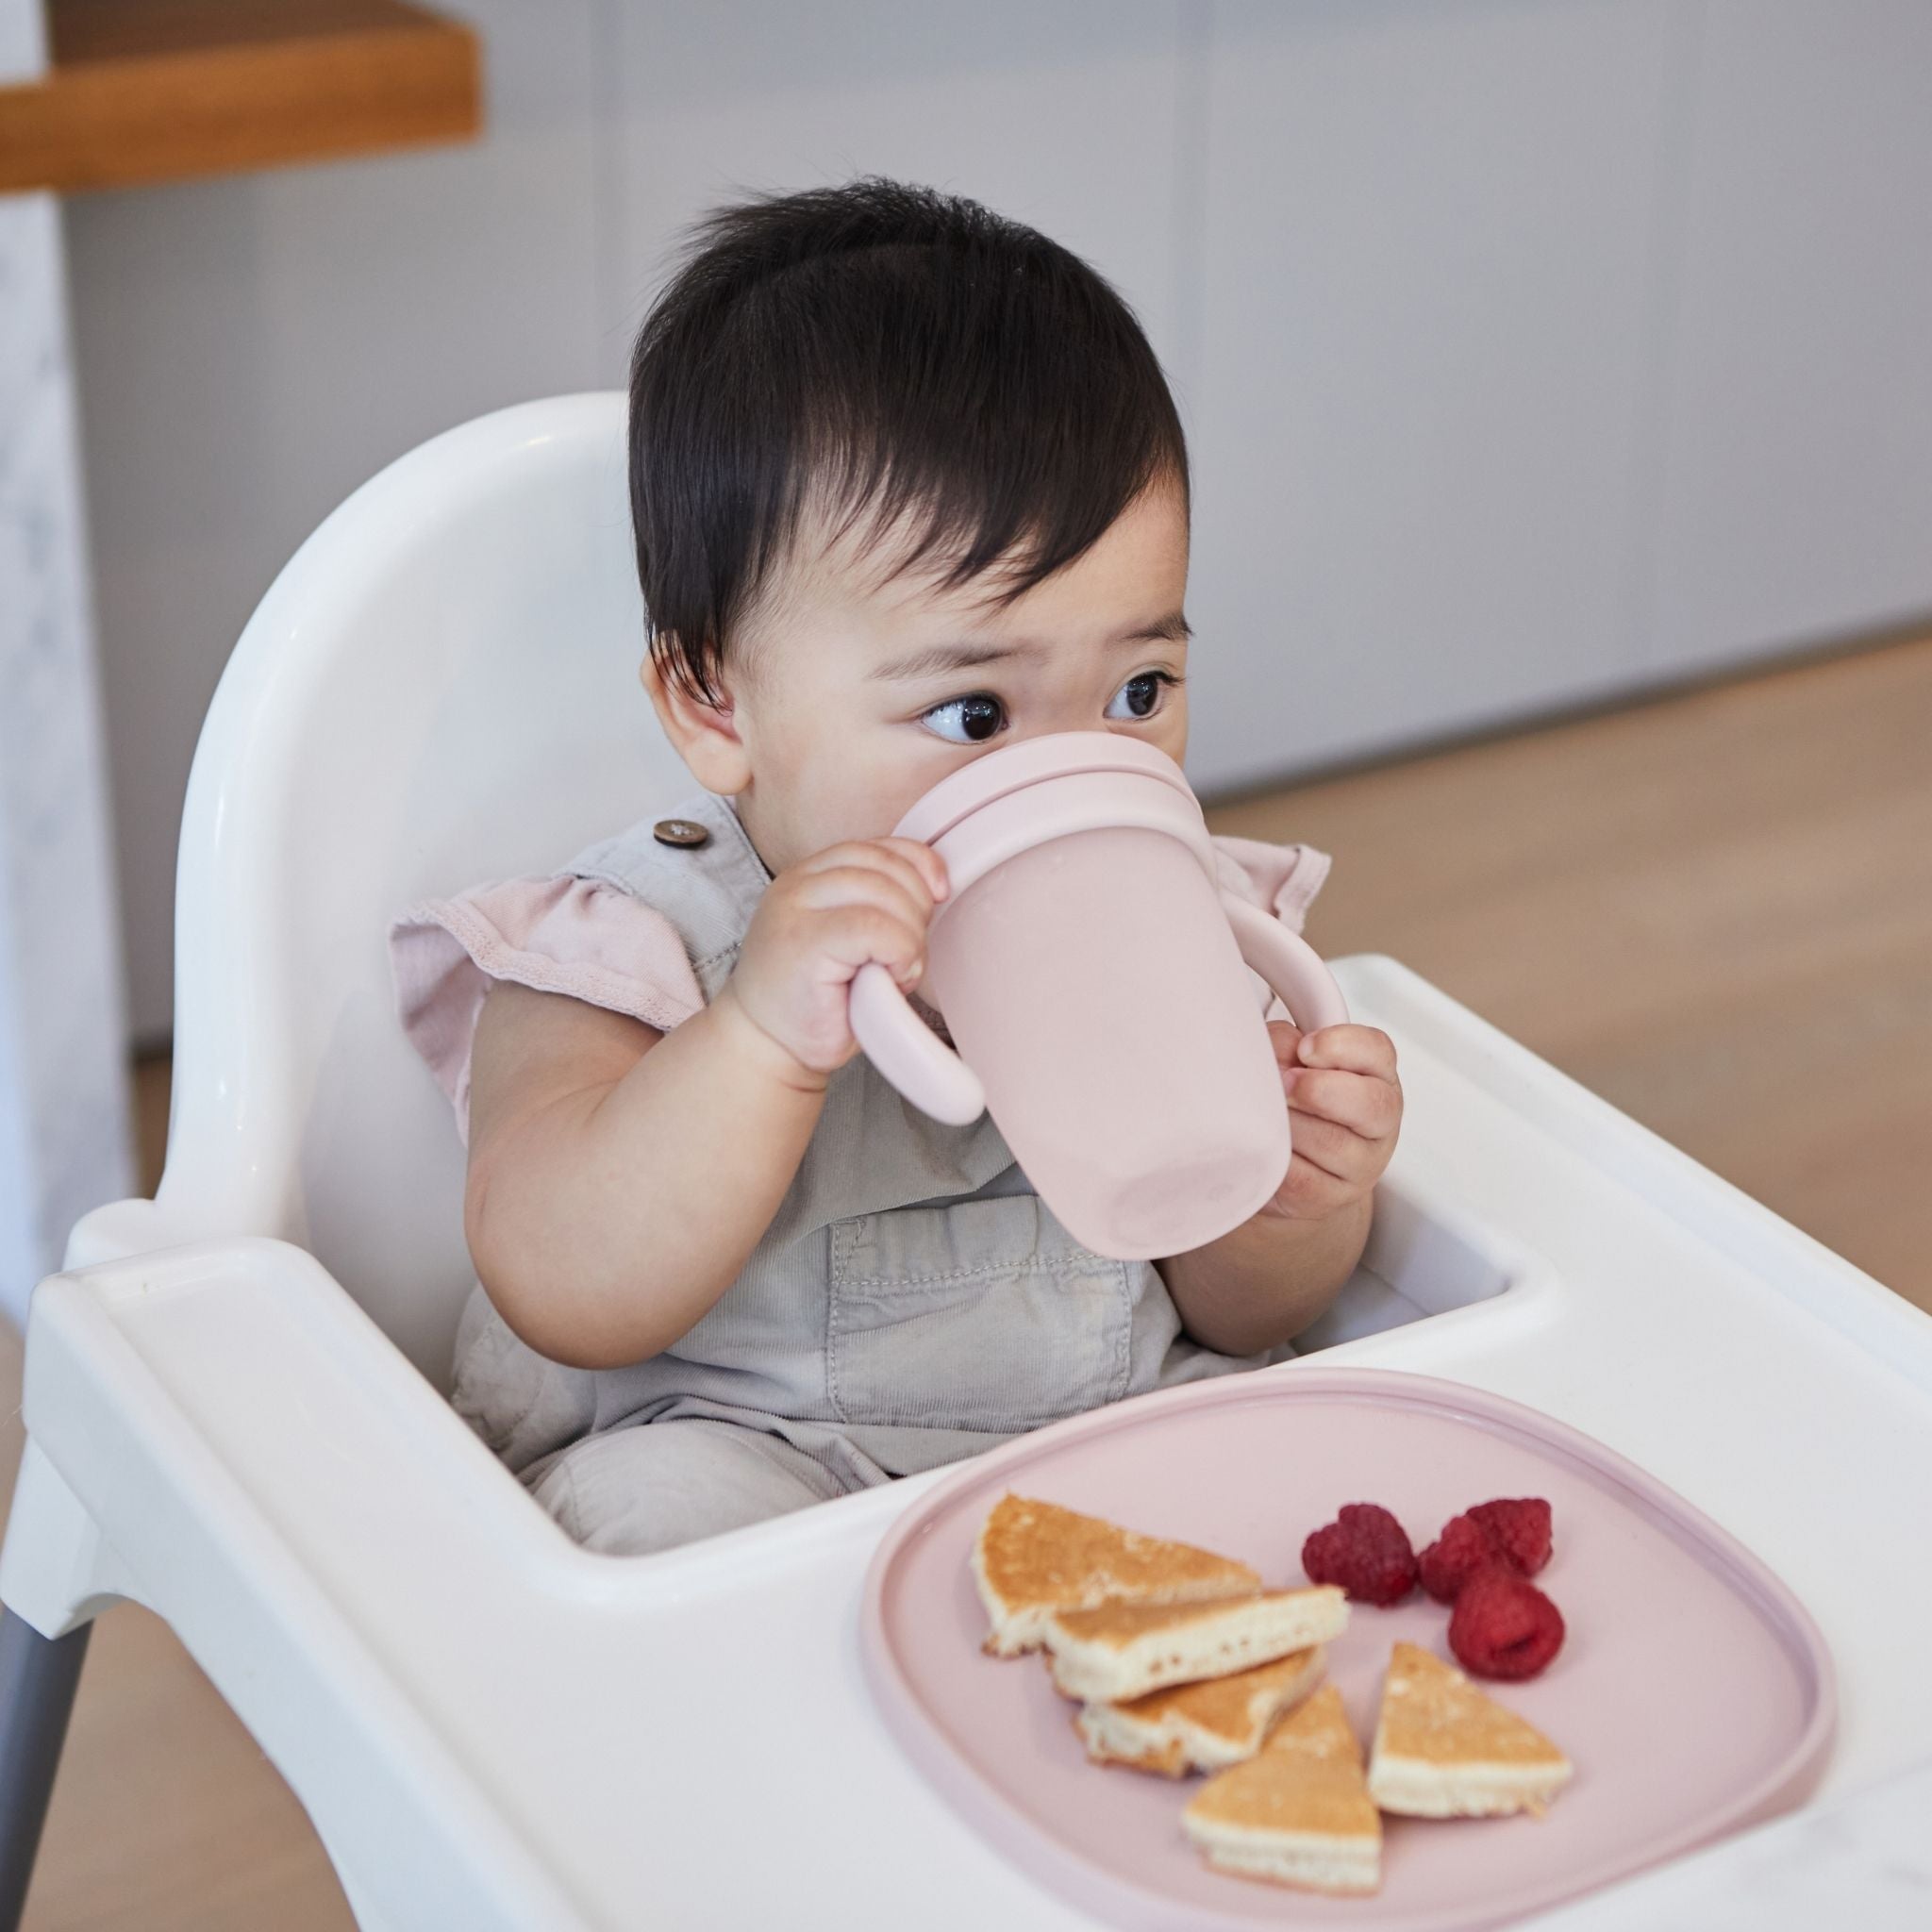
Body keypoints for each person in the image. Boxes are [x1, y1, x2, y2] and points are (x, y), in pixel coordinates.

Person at [389, 178, 1403, 1557]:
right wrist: (760, 1041)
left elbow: (1237, 1307)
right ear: (713, 705)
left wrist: (1295, 1200)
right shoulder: (632, 947)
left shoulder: (1178, 925)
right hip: (761, 1467)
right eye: (974, 714)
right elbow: (562, 1288)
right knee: (648, 1526)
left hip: (1111, 1435)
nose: (1070, 767)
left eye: (1140, 687)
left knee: (1315, 1479)